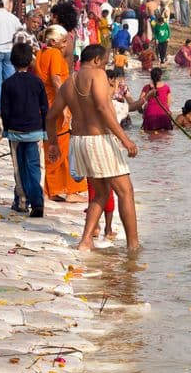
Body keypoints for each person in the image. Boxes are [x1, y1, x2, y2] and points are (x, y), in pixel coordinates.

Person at [46, 44, 140, 252]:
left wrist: (53, 143)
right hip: (98, 140)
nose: (105, 68)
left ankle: (86, 240)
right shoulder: (97, 74)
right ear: (97, 60)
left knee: (101, 192)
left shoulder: (69, 81)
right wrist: (125, 140)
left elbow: (51, 116)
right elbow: (102, 107)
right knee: (126, 191)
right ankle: (133, 246)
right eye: (105, 62)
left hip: (78, 141)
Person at [35, 24, 88, 203]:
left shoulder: (40, 54)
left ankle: (52, 188)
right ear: (53, 42)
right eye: (63, 41)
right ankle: (69, 189)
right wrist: (65, 107)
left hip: (45, 107)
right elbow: (56, 80)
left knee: (51, 146)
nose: (66, 45)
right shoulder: (55, 54)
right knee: (62, 148)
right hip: (56, 107)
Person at [1, 42, 48, 217]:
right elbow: (44, 108)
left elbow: (5, 110)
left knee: (19, 168)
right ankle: (38, 201)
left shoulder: (7, 84)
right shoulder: (37, 82)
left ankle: (22, 201)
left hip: (15, 132)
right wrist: (44, 130)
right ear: (30, 61)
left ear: (12, 61)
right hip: (35, 131)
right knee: (34, 166)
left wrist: (6, 130)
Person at [0, 0, 21, 115]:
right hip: (9, 51)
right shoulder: (12, 17)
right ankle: (13, 106)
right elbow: (20, 30)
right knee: (10, 79)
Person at [132, 67, 173, 132]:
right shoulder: (166, 88)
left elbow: (140, 103)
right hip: (164, 114)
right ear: (161, 76)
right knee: (165, 137)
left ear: (151, 76)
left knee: (150, 137)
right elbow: (168, 104)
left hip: (150, 114)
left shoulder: (146, 87)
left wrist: (142, 112)